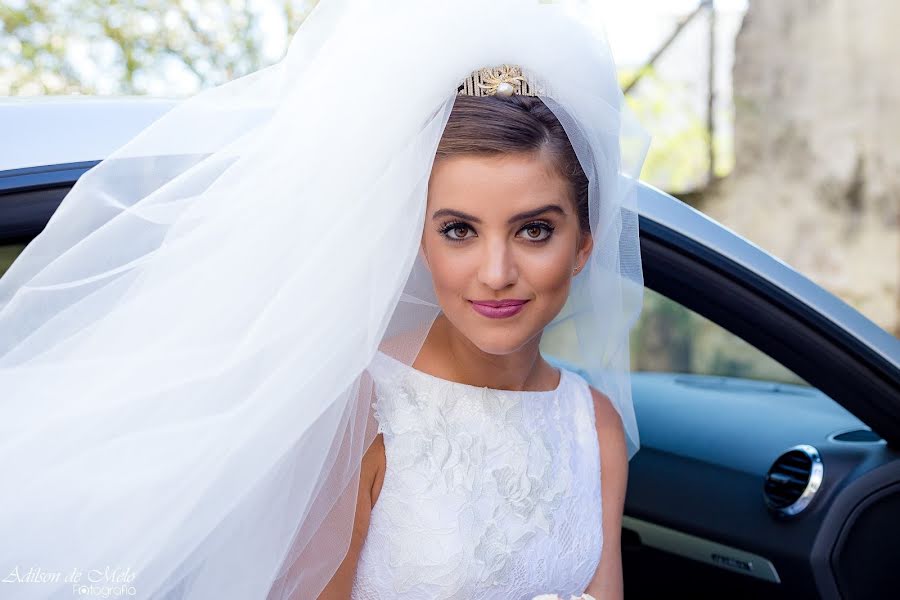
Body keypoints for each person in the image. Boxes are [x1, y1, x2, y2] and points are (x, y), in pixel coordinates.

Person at [0, 1, 648, 599]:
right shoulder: (362, 406)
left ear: (585, 244)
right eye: (459, 231)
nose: (497, 271)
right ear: (418, 242)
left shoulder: (594, 427)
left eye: (534, 230)